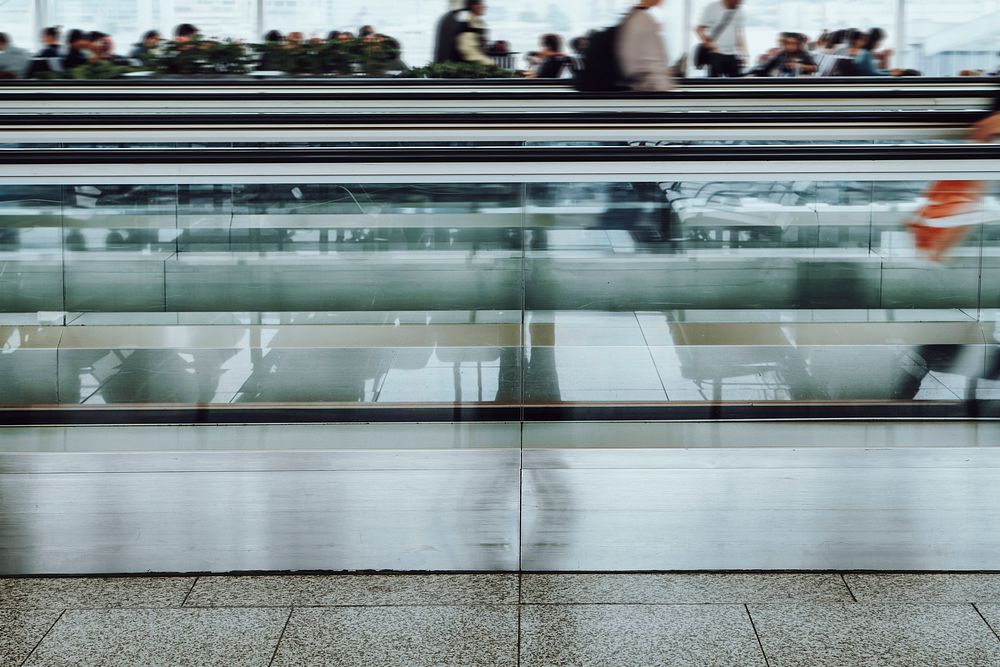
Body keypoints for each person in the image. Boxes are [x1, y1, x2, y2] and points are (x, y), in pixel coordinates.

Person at [618, 0, 675, 91]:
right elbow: (653, 64)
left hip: (642, 89)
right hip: (649, 92)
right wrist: (666, 90)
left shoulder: (634, 17)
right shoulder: (643, 21)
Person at [695, 0, 747, 77]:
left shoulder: (738, 10)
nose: (740, 3)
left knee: (736, 84)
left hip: (732, 54)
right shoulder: (711, 8)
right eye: (738, 1)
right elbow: (699, 29)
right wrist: (709, 44)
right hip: (715, 54)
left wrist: (744, 55)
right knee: (715, 84)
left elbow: (739, 34)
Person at [752, 32, 816, 77]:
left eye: (793, 43)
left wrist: (799, 66)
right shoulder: (782, 54)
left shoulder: (804, 54)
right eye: (787, 43)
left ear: (798, 44)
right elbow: (766, 67)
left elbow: (815, 68)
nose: (790, 45)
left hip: (797, 82)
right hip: (783, 79)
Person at [455, 0, 493, 66]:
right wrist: (487, 62)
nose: (484, 7)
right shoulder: (468, 23)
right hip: (472, 63)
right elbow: (466, 48)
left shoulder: (477, 22)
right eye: (481, 4)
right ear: (474, 6)